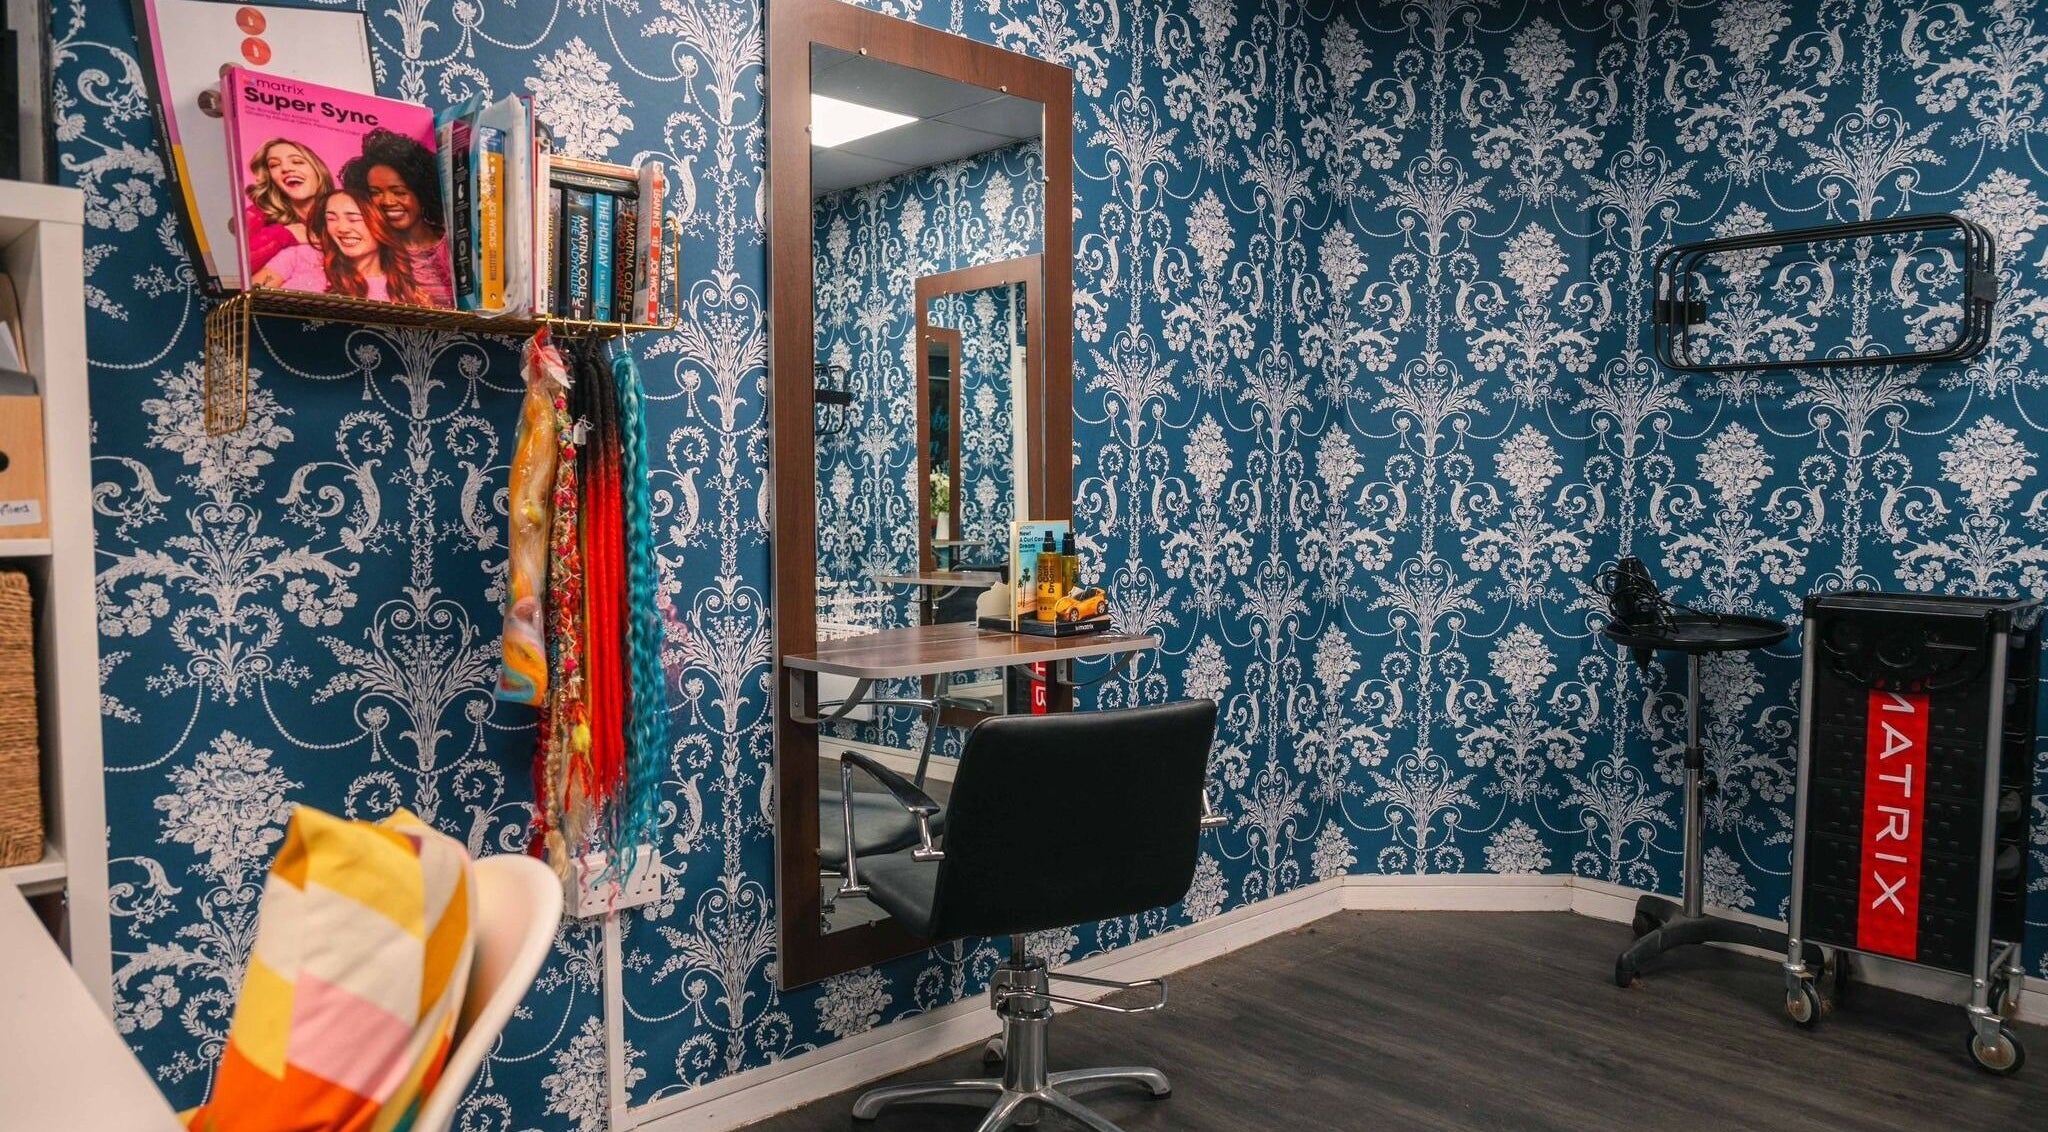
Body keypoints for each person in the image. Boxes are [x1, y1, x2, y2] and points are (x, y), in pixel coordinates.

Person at [251, 188, 429, 305]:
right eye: (331, 219)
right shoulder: (300, 256)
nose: (342, 229)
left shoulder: (406, 295)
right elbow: (244, 308)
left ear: (382, 223)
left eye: (354, 219)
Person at [340, 128, 456, 307]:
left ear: (421, 192)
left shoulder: (455, 241)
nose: (387, 201)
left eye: (399, 192)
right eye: (375, 193)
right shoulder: (370, 251)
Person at [240, 138, 333, 275]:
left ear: (318, 171)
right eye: (274, 165)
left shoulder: (341, 215)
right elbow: (234, 270)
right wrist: (283, 235)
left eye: (297, 161)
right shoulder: (255, 215)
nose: (286, 168)